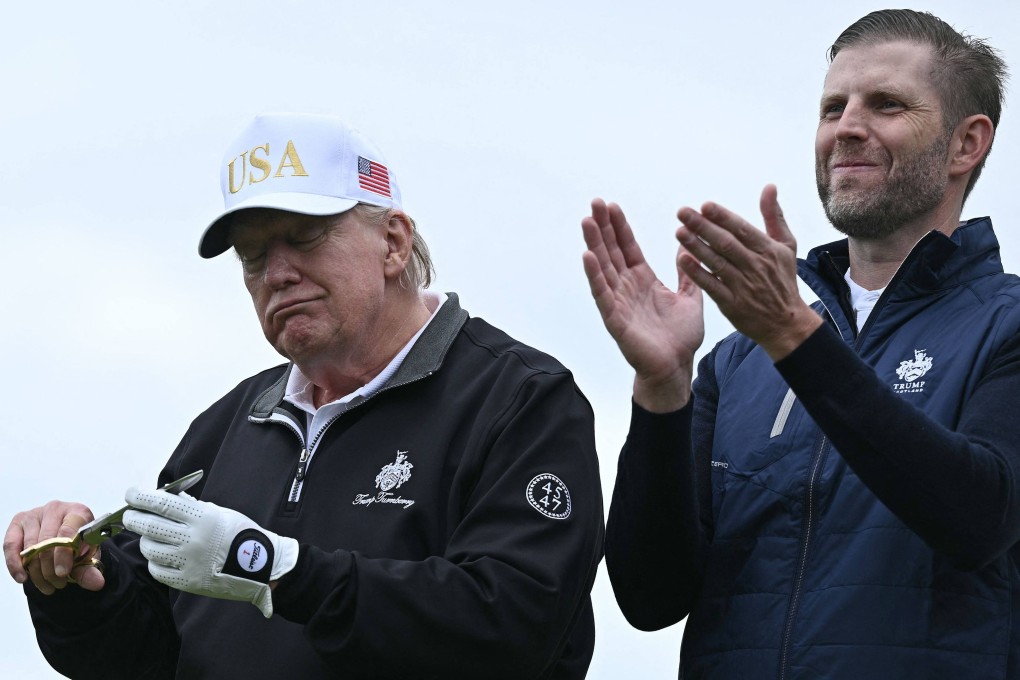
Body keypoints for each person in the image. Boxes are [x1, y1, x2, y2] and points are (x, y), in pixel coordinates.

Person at [6, 112, 604, 679]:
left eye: (305, 237)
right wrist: (80, 584)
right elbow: (149, 655)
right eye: (254, 255)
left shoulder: (519, 399)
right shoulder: (225, 427)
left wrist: (276, 569)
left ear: (393, 243)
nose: (276, 274)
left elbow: (512, 628)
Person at [582, 9, 1020, 679]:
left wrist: (795, 336)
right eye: (831, 108)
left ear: (967, 144)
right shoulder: (738, 364)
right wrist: (662, 391)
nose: (846, 128)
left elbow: (979, 519)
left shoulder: (1007, 324)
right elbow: (649, 598)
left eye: (887, 105)